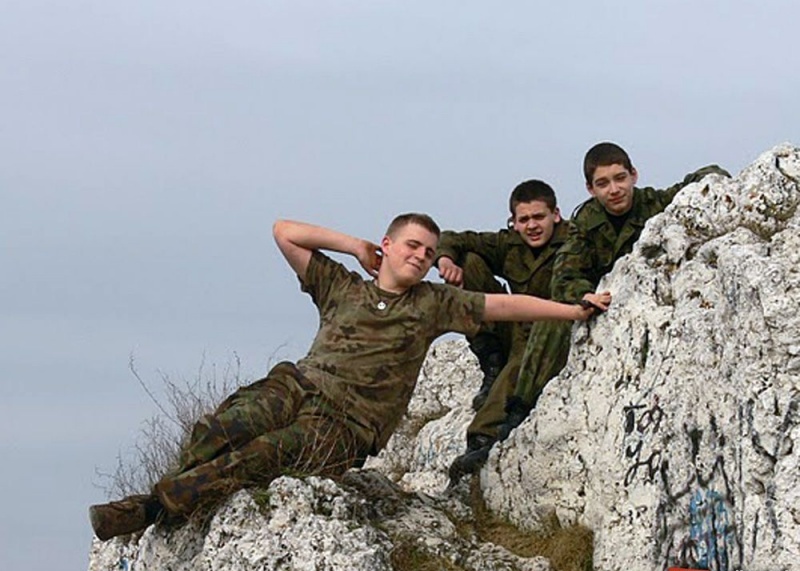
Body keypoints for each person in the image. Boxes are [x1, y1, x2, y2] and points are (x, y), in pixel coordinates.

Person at [89, 213, 609, 541]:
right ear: (388, 244)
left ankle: (154, 508)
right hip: (299, 384)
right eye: (412, 246)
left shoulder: (433, 304)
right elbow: (283, 232)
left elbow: (505, 305)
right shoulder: (342, 286)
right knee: (226, 427)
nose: (421, 257)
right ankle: (172, 496)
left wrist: (571, 309)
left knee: (262, 456)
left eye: (429, 253)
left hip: (347, 424)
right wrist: (354, 246)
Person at [448, 142, 729, 484]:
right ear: (590, 189)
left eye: (620, 178)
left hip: (602, 313)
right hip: (521, 324)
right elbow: (566, 275)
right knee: (493, 282)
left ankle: (504, 419)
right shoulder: (582, 224)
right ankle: (501, 401)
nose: (614, 189)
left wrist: (721, 187)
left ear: (633, 175)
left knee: (551, 323)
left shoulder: (651, 203)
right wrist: (581, 294)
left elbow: (699, 180)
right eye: (603, 183)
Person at [436, 180, 570, 478]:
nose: (532, 226)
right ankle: (491, 361)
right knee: (468, 263)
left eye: (539, 217)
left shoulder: (573, 241)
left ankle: (482, 437)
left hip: (549, 333)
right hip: (513, 328)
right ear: (514, 223)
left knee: (520, 362)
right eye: (524, 220)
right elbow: (451, 239)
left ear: (555, 215)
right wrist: (446, 261)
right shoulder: (509, 244)